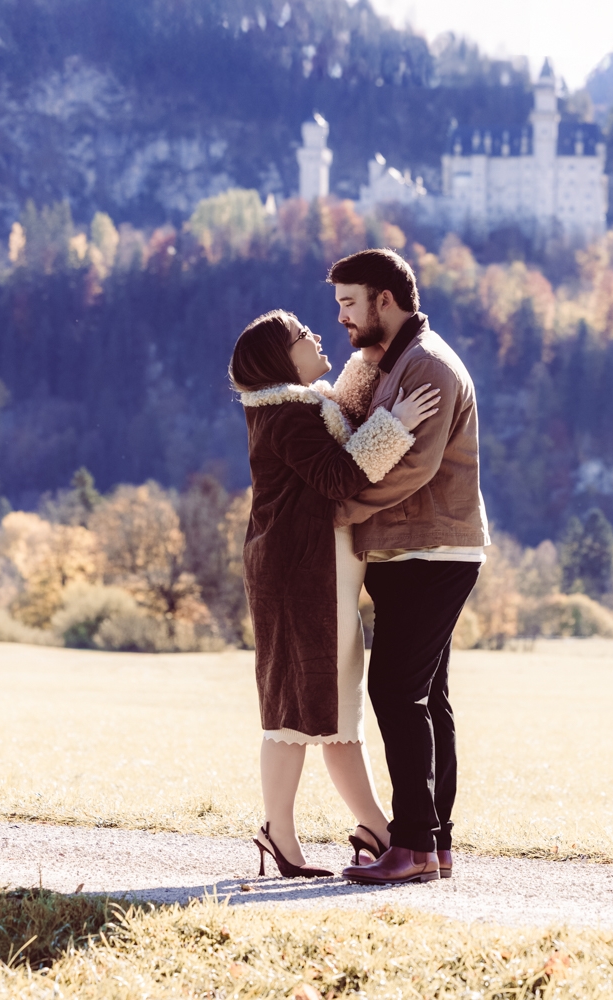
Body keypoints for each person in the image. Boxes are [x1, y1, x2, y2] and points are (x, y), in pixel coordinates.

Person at [229, 308, 440, 878]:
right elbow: (338, 476)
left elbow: (335, 412)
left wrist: (368, 367)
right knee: (295, 710)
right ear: (280, 359)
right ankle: (278, 834)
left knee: (338, 708)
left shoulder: (299, 408)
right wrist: (394, 425)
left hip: (319, 574)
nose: (317, 335)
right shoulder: (286, 416)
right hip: (300, 577)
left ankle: (374, 826)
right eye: (303, 336)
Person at [328, 249, 491, 886]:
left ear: (385, 301)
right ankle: (435, 845)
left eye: (348, 302)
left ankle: (412, 847)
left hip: (432, 551)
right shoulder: (391, 361)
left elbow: (413, 469)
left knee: (394, 691)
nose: (341, 316)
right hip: (414, 551)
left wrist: (337, 508)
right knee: (428, 699)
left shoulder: (427, 367)